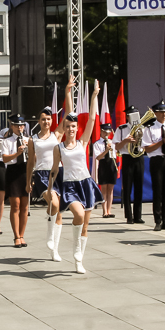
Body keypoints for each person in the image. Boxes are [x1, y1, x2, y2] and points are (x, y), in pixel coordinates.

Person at [48, 81, 101, 274]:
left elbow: (93, 120)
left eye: (73, 126)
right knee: (78, 215)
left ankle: (79, 260)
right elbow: (54, 170)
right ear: (64, 127)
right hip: (70, 187)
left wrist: (94, 95)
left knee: (85, 225)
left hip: (86, 183)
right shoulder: (58, 148)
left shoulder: (82, 142)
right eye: (68, 126)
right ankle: (76, 251)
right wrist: (49, 189)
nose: (71, 129)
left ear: (77, 128)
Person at [27, 79, 74, 261]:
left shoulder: (56, 134)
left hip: (58, 172)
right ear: (39, 121)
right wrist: (27, 182)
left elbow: (69, 114)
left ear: (52, 120)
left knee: (58, 210)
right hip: (41, 175)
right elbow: (31, 160)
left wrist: (67, 91)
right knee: (54, 204)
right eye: (43, 119)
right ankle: (49, 234)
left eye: (48, 119)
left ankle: (54, 249)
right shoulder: (34, 139)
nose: (46, 121)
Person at [142, 100, 165, 231]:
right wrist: (162, 142)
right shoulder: (149, 128)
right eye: (161, 112)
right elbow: (147, 149)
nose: (164, 115)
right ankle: (158, 220)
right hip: (156, 160)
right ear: (155, 113)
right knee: (158, 191)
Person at [2, 114, 30, 247]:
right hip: (13, 172)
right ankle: (16, 236)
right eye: (17, 125)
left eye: (21, 125)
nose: (20, 128)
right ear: (12, 126)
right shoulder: (7, 141)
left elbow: (33, 159)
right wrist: (17, 153)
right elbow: (5, 159)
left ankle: (22, 234)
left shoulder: (28, 140)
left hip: (25, 171)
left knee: (25, 205)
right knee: (16, 205)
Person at [115, 104, 145, 224]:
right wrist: (126, 141)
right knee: (127, 187)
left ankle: (138, 215)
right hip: (128, 157)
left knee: (139, 187)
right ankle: (129, 216)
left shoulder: (142, 128)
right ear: (127, 117)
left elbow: (146, 143)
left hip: (139, 157)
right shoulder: (122, 129)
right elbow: (116, 146)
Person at [93, 123, 119, 219]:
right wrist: (106, 150)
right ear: (101, 131)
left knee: (110, 190)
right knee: (104, 189)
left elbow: (117, 155)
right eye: (104, 132)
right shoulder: (97, 144)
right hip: (103, 166)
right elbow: (98, 157)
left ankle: (109, 210)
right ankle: (104, 211)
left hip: (111, 165)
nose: (106, 134)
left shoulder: (113, 143)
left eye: (108, 132)